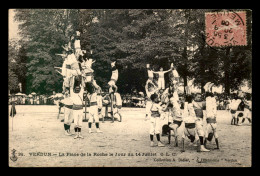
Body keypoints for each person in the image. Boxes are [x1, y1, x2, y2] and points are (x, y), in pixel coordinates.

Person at [204, 82, 219, 150]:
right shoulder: (211, 129)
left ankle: (208, 89)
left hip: (212, 115)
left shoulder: (213, 129)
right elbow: (208, 136)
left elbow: (215, 137)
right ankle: (207, 89)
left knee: (212, 102)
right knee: (211, 102)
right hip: (211, 115)